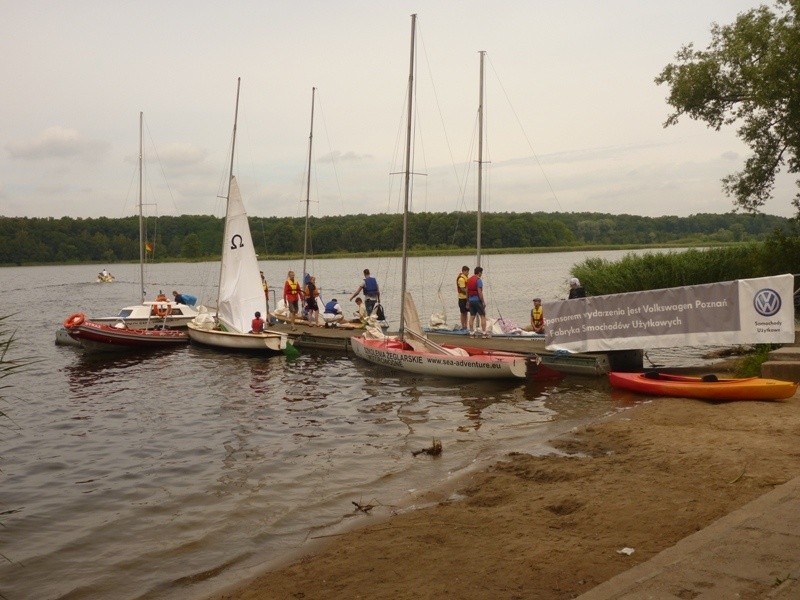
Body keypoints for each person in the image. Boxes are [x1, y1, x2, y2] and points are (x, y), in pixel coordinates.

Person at [466, 266, 489, 338]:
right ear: (479, 272)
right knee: (482, 316)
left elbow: (467, 291)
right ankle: (484, 333)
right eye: (481, 273)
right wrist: (483, 301)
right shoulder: (478, 280)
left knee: (472, 316)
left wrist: (468, 300)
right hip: (477, 300)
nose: (481, 274)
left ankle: (472, 333)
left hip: (471, 300)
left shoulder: (469, 280)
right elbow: (479, 292)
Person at [456, 265, 470, 330]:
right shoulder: (461, 279)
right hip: (462, 298)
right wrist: (469, 292)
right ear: (464, 271)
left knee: (466, 312)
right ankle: (463, 325)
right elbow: (462, 288)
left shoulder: (466, 278)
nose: (468, 273)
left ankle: (466, 326)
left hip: (466, 298)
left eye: (468, 272)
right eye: (467, 272)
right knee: (462, 312)